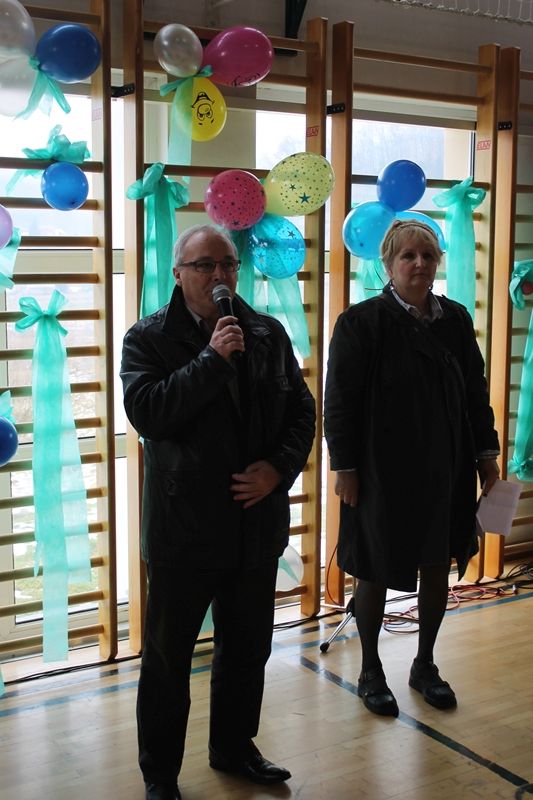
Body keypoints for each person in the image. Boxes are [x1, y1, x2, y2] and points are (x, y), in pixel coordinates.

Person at [120, 224, 315, 800]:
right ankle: (160, 774)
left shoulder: (267, 331)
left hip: (254, 526)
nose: (219, 275)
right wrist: (210, 359)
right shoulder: (147, 338)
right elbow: (149, 413)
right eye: (205, 265)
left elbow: (302, 412)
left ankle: (234, 748)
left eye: (228, 264)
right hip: (184, 531)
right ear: (178, 273)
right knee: (168, 660)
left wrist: (277, 468)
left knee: (248, 648)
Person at [324, 219, 500, 718]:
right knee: (374, 566)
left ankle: (424, 664)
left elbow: (474, 393)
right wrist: (345, 467)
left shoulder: (455, 319)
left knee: (437, 562)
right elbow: (339, 402)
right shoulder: (361, 323)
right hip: (380, 470)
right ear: (388, 264)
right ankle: (371, 670)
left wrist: (486, 457)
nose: (420, 264)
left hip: (446, 464)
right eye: (408, 256)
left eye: (428, 255)